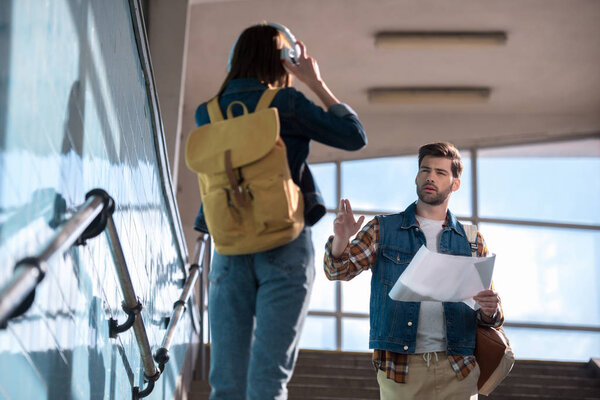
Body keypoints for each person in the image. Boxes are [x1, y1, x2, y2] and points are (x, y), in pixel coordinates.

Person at [192, 23, 367, 400]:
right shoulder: (285, 104)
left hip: (228, 245)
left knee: (226, 384)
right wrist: (314, 82)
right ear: (283, 60)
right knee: (268, 382)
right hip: (284, 242)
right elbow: (353, 135)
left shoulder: (207, 114)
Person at [324, 142, 502, 400]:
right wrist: (341, 240)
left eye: (441, 172)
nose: (430, 176)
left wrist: (490, 308)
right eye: (425, 170)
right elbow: (337, 270)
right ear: (417, 176)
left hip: (459, 369)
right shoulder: (382, 229)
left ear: (455, 184)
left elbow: (492, 315)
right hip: (401, 370)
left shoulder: (473, 240)